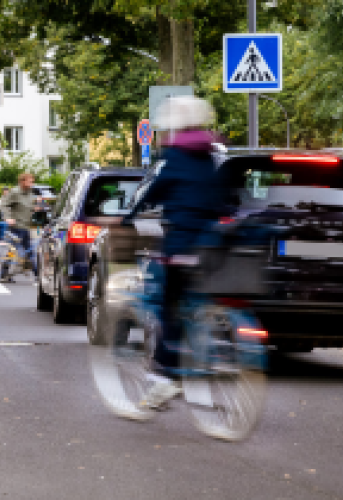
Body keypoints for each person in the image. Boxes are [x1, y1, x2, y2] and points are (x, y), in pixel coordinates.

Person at [121, 96, 227, 407]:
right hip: (210, 243)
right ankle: (210, 349)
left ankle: (165, 377)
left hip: (182, 242)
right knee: (195, 299)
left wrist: (130, 216)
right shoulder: (209, 154)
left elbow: (156, 189)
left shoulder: (175, 155)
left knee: (168, 305)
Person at [0, 174, 39, 280]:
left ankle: (36, 274)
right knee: (12, 251)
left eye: (32, 182)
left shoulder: (30, 193)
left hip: (25, 227)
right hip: (16, 226)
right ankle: (3, 274)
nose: (31, 184)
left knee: (29, 251)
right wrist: (7, 218)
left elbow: (28, 207)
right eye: (29, 182)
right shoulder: (15, 192)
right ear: (22, 182)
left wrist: (34, 209)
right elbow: (3, 205)